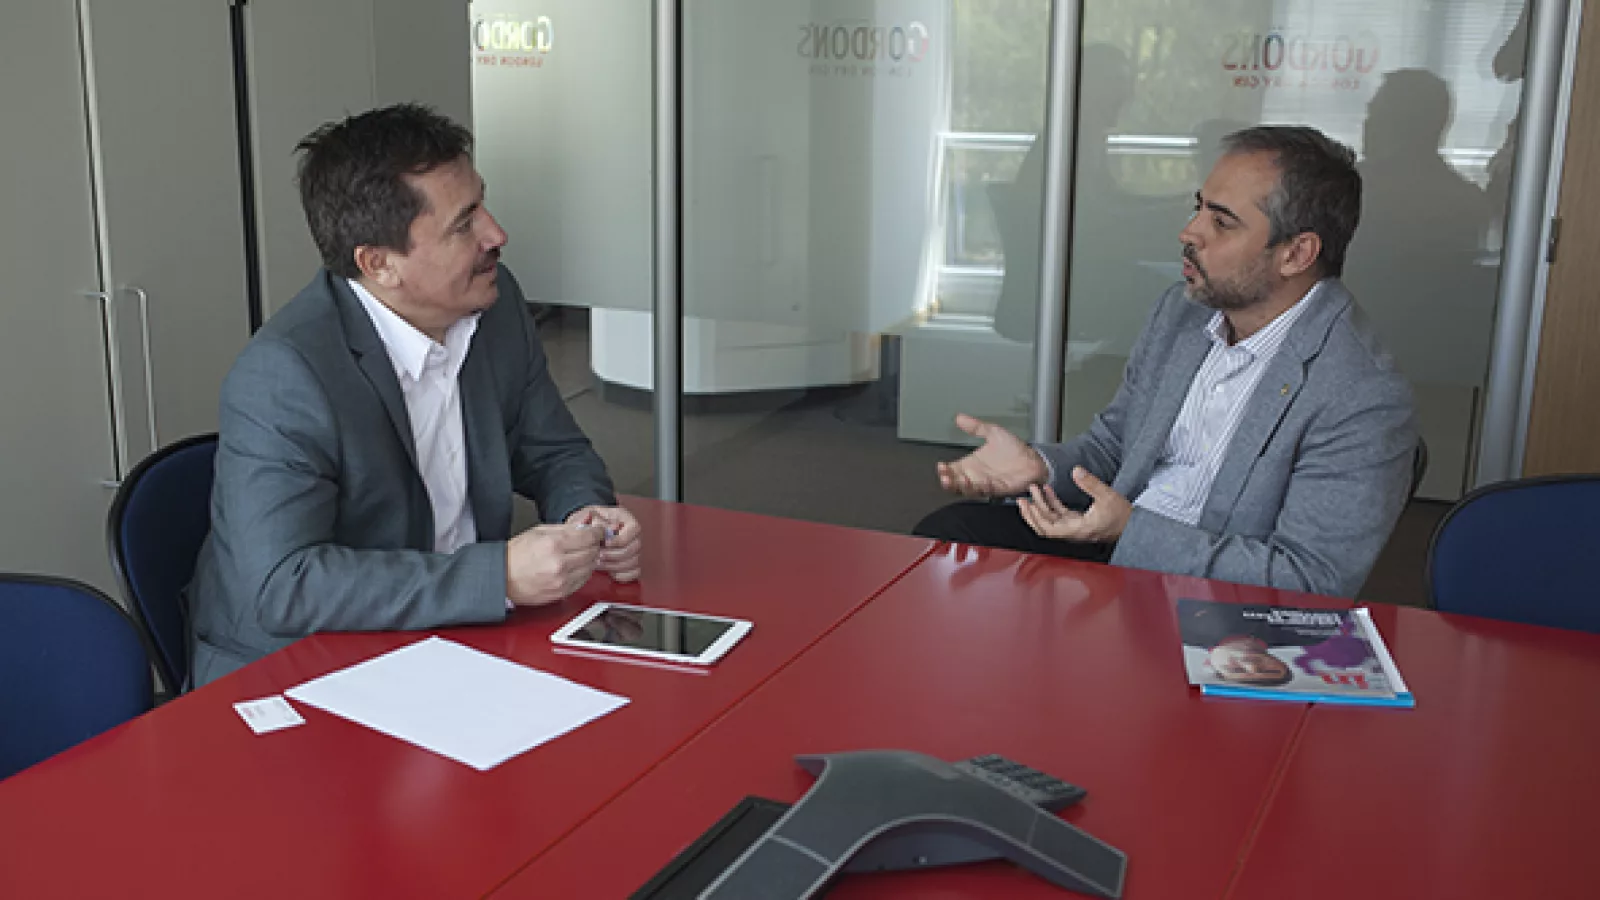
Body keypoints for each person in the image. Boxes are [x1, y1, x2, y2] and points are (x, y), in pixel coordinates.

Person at [187, 104, 641, 686]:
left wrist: (585, 516)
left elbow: (555, 449)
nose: (496, 235)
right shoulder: (285, 375)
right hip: (302, 666)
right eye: (463, 224)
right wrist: (498, 577)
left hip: (452, 639)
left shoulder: (492, 304)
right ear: (379, 265)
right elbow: (282, 585)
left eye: (482, 204)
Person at [915, 125, 1417, 599]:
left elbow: (1309, 581)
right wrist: (1040, 467)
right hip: (1109, 541)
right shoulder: (1181, 313)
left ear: (1296, 254)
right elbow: (1115, 448)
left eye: (1222, 222)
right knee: (949, 538)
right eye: (1198, 208)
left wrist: (1131, 530)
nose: (1189, 232)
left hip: (1210, 596)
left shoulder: (1361, 394)